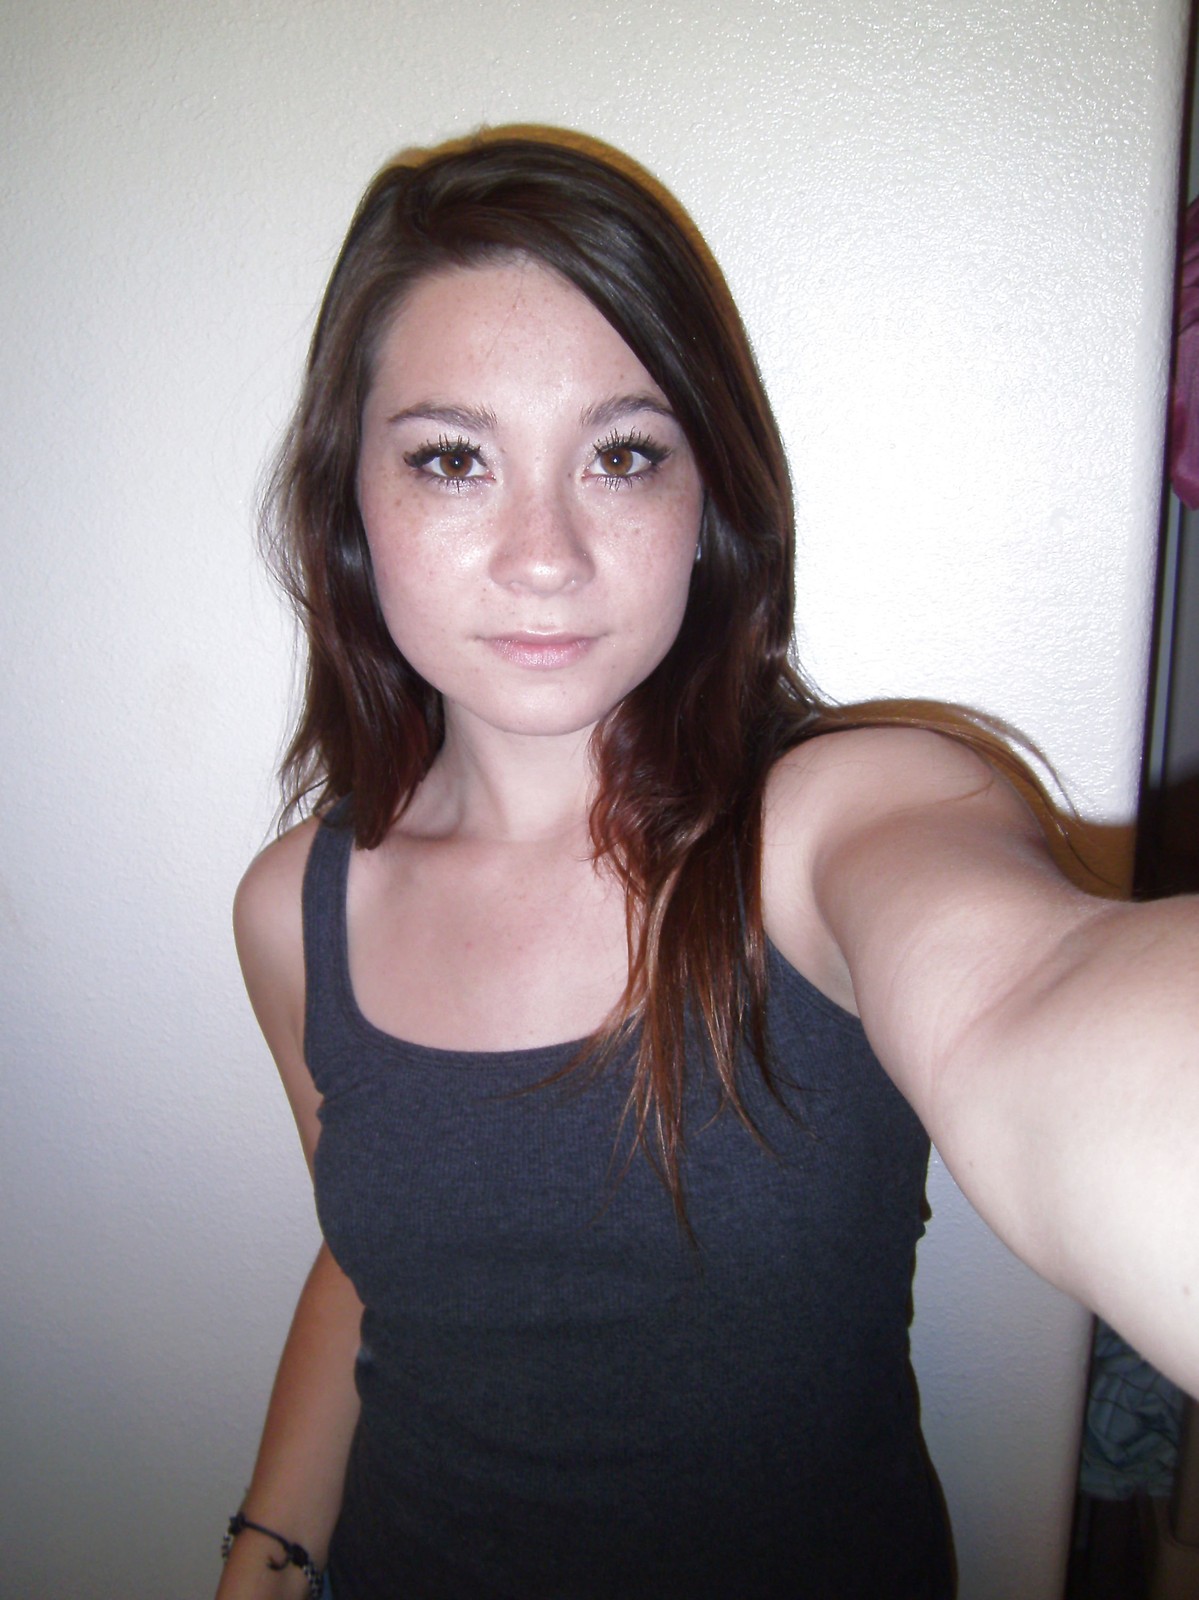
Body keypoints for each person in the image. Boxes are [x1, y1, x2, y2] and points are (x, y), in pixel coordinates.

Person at [218, 131, 1199, 1600]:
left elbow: (1034, 998)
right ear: (351, 502)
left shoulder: (842, 822)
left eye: (622, 454)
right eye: (451, 459)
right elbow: (368, 1261)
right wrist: (266, 1554)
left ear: (709, 502)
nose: (544, 553)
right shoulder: (298, 911)